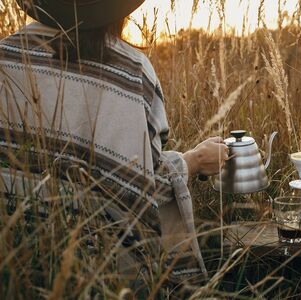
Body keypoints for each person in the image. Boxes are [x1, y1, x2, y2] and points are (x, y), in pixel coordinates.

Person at [0, 0, 228, 295]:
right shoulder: (133, 71)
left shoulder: (5, 58)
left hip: (12, 268)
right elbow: (146, 189)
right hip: (107, 280)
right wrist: (193, 160)